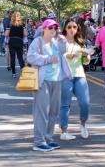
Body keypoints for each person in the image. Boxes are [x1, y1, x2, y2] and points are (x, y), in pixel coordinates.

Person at [27, 19, 71, 152]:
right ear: (44, 29)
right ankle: (39, 141)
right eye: (50, 28)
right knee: (42, 111)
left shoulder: (57, 42)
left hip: (57, 80)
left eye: (55, 28)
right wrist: (47, 59)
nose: (53, 30)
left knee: (54, 111)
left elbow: (65, 54)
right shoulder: (37, 41)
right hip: (43, 80)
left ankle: (48, 138)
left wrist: (64, 42)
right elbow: (30, 57)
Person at [60, 18, 91, 140]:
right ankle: (64, 131)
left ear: (77, 29)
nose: (72, 29)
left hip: (79, 75)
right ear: (65, 29)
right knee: (65, 105)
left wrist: (86, 56)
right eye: (69, 27)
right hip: (65, 76)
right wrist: (65, 55)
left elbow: (86, 62)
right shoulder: (60, 42)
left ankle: (83, 123)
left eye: (74, 27)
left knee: (85, 103)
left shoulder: (81, 43)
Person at [6, 11, 27, 78]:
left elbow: (6, 34)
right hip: (20, 41)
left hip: (12, 41)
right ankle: (23, 71)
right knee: (20, 57)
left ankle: (13, 73)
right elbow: (26, 34)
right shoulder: (22, 25)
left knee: (12, 57)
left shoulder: (9, 24)